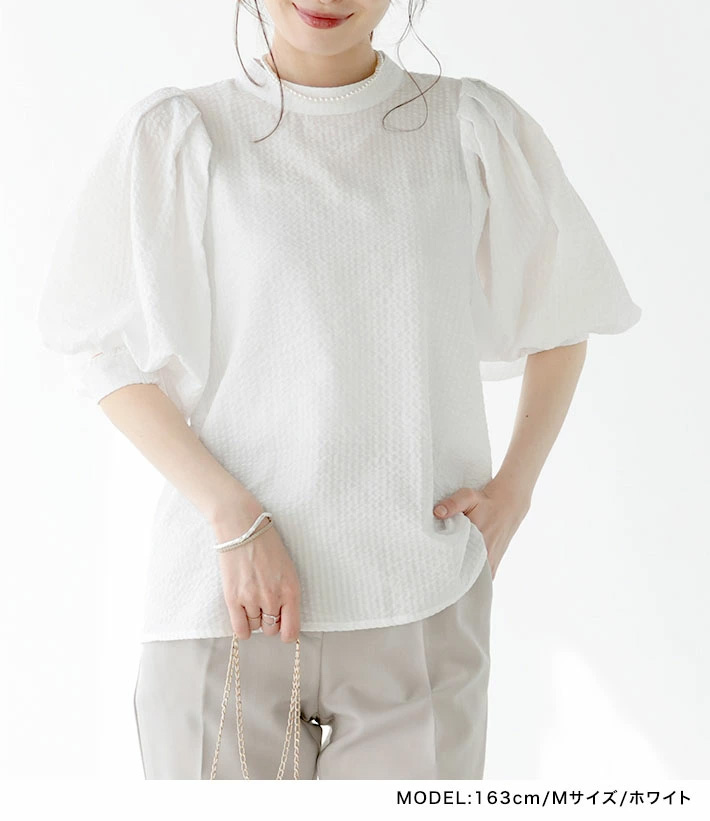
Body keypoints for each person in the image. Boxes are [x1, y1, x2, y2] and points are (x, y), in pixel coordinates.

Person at [37, 0, 642, 780]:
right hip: (224, 604)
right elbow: (97, 340)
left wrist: (515, 488)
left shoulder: (467, 128)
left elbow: (565, 306)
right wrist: (232, 514)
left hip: (420, 605)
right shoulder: (187, 133)